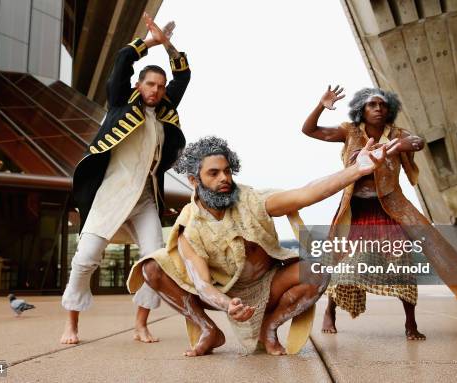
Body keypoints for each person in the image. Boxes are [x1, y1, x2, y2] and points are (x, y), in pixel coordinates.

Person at [126, 135, 396, 357]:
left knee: (317, 271)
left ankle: (270, 325)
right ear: (195, 181)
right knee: (151, 267)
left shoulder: (252, 200)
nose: (224, 178)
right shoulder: (189, 226)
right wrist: (226, 303)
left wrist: (356, 170)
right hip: (224, 293)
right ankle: (208, 329)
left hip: (269, 284)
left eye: (227, 171)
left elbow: (306, 193)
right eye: (214, 173)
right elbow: (202, 284)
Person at [302, 86, 457, 340]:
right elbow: (309, 130)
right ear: (362, 109)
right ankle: (330, 311)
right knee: (344, 266)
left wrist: (402, 144)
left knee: (403, 265)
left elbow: (418, 142)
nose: (378, 109)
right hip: (356, 212)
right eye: (372, 105)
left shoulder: (396, 134)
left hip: (390, 210)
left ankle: (410, 324)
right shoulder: (349, 131)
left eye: (383, 105)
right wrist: (320, 106)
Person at [60, 13, 191, 345]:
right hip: (112, 193)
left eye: (160, 87)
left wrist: (170, 45)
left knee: (155, 263)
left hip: (146, 198)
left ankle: (140, 325)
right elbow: (121, 59)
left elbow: (184, 74)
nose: (157, 90)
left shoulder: (164, 110)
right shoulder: (120, 103)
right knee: (85, 257)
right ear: (139, 85)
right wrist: (150, 42)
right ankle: (72, 323)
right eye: (150, 84)